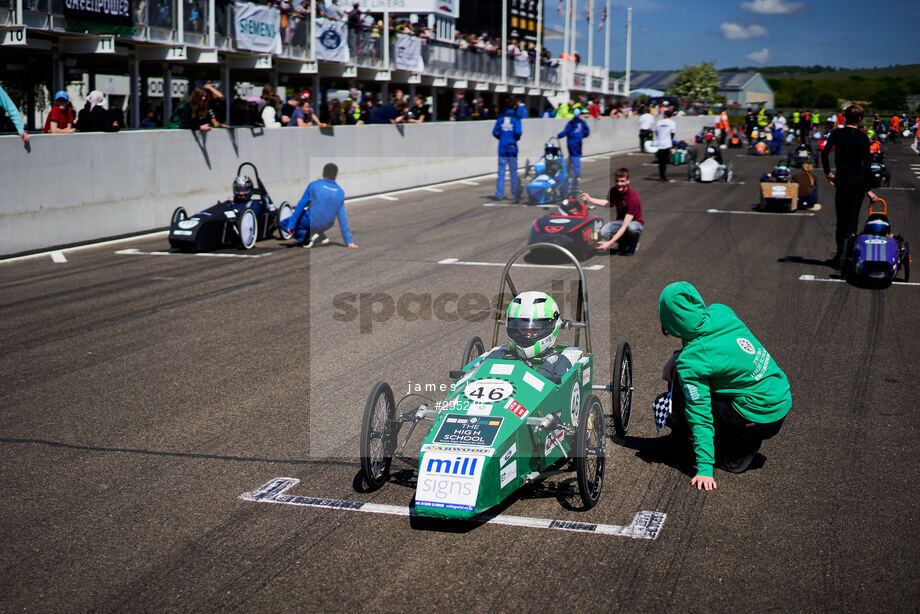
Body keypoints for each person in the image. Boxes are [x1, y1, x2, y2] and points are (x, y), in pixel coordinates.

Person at [658, 281, 791, 491]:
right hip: (779, 399)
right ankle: (733, 438)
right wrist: (678, 356)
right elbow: (713, 345)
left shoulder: (693, 362)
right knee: (695, 376)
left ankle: (740, 443)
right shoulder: (721, 311)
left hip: (758, 415)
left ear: (670, 322)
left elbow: (700, 414)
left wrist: (704, 469)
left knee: (682, 402)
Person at [470, 291, 576, 385]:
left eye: (535, 329)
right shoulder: (498, 355)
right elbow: (471, 377)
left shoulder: (558, 361)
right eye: (522, 328)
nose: (528, 334)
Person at [821, 104, 879, 268]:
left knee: (841, 220)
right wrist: (868, 188)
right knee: (852, 221)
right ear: (860, 119)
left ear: (845, 116)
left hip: (842, 181)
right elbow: (867, 163)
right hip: (858, 182)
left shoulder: (837, 133)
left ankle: (840, 254)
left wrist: (828, 173)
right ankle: (848, 256)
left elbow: (825, 153)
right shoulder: (862, 137)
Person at [281, 162, 357, 249]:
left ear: (322, 173)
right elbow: (342, 217)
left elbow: (301, 205)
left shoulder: (314, 185)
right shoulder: (340, 192)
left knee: (284, 223)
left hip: (312, 221)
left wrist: (291, 225)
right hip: (327, 225)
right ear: (336, 176)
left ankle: (306, 237)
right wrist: (349, 241)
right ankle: (319, 235)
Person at [581, 167, 643, 255]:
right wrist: (590, 199)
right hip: (621, 222)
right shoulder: (614, 190)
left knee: (631, 228)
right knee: (604, 231)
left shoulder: (633, 198)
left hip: (634, 222)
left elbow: (625, 226)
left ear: (628, 181)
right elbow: (608, 203)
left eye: (622, 181)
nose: (619, 184)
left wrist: (609, 243)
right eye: (617, 181)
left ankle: (633, 242)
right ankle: (623, 243)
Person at [492, 98, 522, 201]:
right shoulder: (516, 118)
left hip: (502, 145)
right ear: (514, 106)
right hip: (512, 145)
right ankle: (514, 194)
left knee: (501, 170)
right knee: (513, 170)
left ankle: (499, 194)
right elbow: (518, 132)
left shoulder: (501, 118)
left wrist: (502, 137)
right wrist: (513, 138)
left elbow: (495, 132)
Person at [556, 108, 590, 195]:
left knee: (574, 156)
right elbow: (587, 132)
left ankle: (575, 172)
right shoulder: (582, 122)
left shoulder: (571, 123)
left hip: (572, 142)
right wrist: (582, 135)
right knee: (577, 156)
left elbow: (565, 132)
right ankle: (574, 171)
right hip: (578, 142)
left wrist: (558, 136)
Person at [654, 108, 676, 181]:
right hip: (667, 143)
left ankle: (661, 175)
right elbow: (672, 133)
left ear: (665, 115)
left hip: (660, 143)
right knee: (665, 161)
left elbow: (656, 132)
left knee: (661, 161)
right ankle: (663, 176)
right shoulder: (672, 123)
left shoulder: (659, 122)